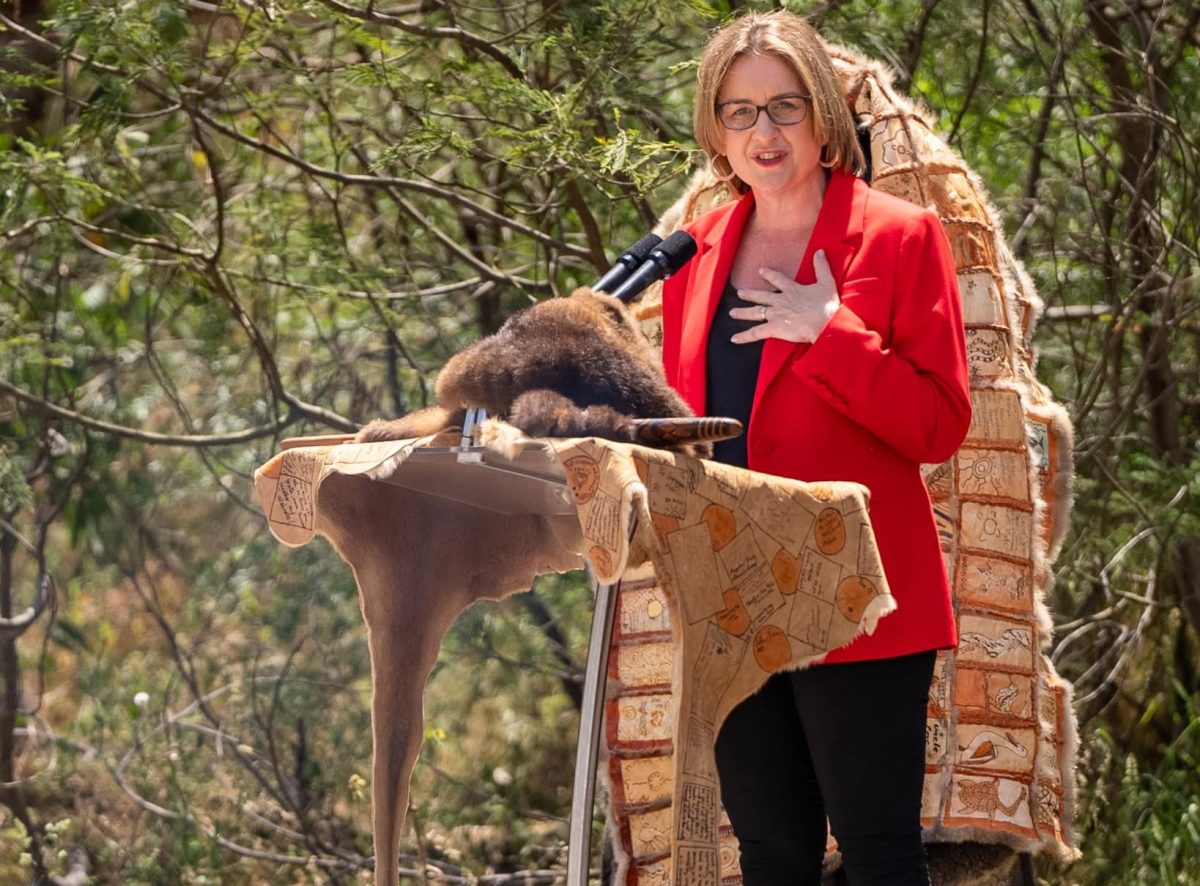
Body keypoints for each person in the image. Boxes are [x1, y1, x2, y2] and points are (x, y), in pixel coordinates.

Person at [658, 10, 972, 885]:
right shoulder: (695, 252)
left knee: (875, 852)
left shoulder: (899, 235)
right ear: (715, 128)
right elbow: (686, 421)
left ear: (825, 116)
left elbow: (938, 425)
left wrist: (827, 330)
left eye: (786, 107)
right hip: (735, 595)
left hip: (857, 593)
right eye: (740, 110)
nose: (764, 131)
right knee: (771, 852)